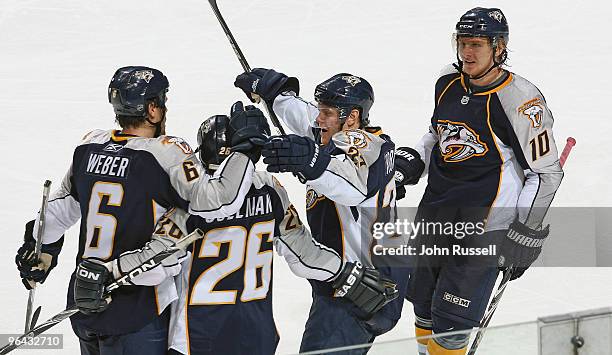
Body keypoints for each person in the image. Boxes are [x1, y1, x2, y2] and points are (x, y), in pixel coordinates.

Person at [14, 66, 269, 355]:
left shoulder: (88, 147)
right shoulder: (164, 154)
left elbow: (55, 215)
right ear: (152, 109)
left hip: (84, 303)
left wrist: (41, 252)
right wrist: (245, 151)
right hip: (137, 313)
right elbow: (218, 201)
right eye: (162, 101)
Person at [393, 8, 564, 354]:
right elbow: (436, 135)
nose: (466, 53)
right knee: (423, 311)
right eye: (462, 43)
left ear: (499, 48)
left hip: (483, 228)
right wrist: (412, 162)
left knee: (451, 324)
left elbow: (545, 173)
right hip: (435, 217)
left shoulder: (521, 100)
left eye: (476, 44)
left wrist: (525, 231)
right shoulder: (447, 81)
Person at [234, 69, 406, 354]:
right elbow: (304, 117)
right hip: (358, 280)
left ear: (351, 118)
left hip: (362, 288)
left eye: (326, 112)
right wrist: (276, 93)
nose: (318, 119)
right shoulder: (336, 132)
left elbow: (352, 185)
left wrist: (310, 161)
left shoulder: (368, 146)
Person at [162, 114, 350, 355]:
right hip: (256, 335)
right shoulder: (268, 188)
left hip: (196, 337)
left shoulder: (192, 195)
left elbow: (159, 261)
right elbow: (305, 255)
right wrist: (345, 272)